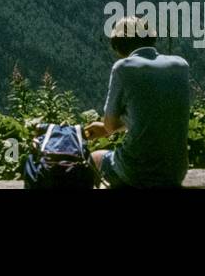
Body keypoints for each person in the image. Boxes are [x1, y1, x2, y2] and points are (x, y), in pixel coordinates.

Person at [82, 16, 191, 188]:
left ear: (117, 45)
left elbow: (109, 126)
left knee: (94, 158)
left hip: (137, 171)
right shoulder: (181, 65)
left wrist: (105, 128)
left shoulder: (123, 68)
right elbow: (152, 113)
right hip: (176, 171)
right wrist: (114, 126)